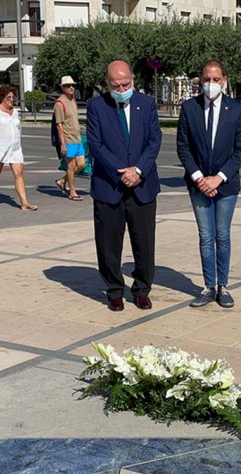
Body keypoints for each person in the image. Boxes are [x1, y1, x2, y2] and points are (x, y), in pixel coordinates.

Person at [87, 60, 162, 312]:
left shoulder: (147, 104)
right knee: (108, 243)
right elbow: (96, 145)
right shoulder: (97, 106)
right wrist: (121, 172)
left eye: (126, 84)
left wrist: (138, 170)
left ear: (133, 79)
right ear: (107, 84)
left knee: (144, 243)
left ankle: (142, 289)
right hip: (110, 185)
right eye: (116, 85)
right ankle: (114, 290)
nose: (121, 89)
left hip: (142, 185)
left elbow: (154, 141)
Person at [176, 60, 241, 309]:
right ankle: (208, 286)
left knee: (222, 234)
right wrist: (199, 178)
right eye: (206, 79)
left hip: (226, 185)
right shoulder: (189, 109)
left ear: (224, 80)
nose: (211, 84)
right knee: (206, 236)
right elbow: (183, 149)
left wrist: (219, 177)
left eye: (216, 79)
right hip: (198, 185)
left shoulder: (236, 109)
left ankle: (223, 286)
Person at [0, 84, 38, 211]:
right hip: (0, 148)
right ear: (1, 98)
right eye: (9, 97)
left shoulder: (15, 112)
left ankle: (24, 203)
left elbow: (18, 129)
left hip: (15, 148)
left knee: (19, 174)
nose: (12, 100)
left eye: (13, 97)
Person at [53, 75, 86, 201]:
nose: (71, 88)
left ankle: (62, 181)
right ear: (62, 88)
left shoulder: (73, 100)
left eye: (73, 85)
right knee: (71, 165)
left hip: (77, 138)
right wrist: (62, 143)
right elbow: (59, 125)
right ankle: (72, 191)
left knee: (81, 165)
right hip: (68, 139)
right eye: (68, 86)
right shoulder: (60, 104)